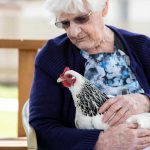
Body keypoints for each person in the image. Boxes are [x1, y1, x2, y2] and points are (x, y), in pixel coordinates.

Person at [29, 0, 150, 149]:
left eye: (81, 18)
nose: (73, 32)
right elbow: (42, 126)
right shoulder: (52, 56)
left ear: (104, 8)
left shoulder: (143, 47)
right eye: (65, 23)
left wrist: (145, 100)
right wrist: (100, 141)